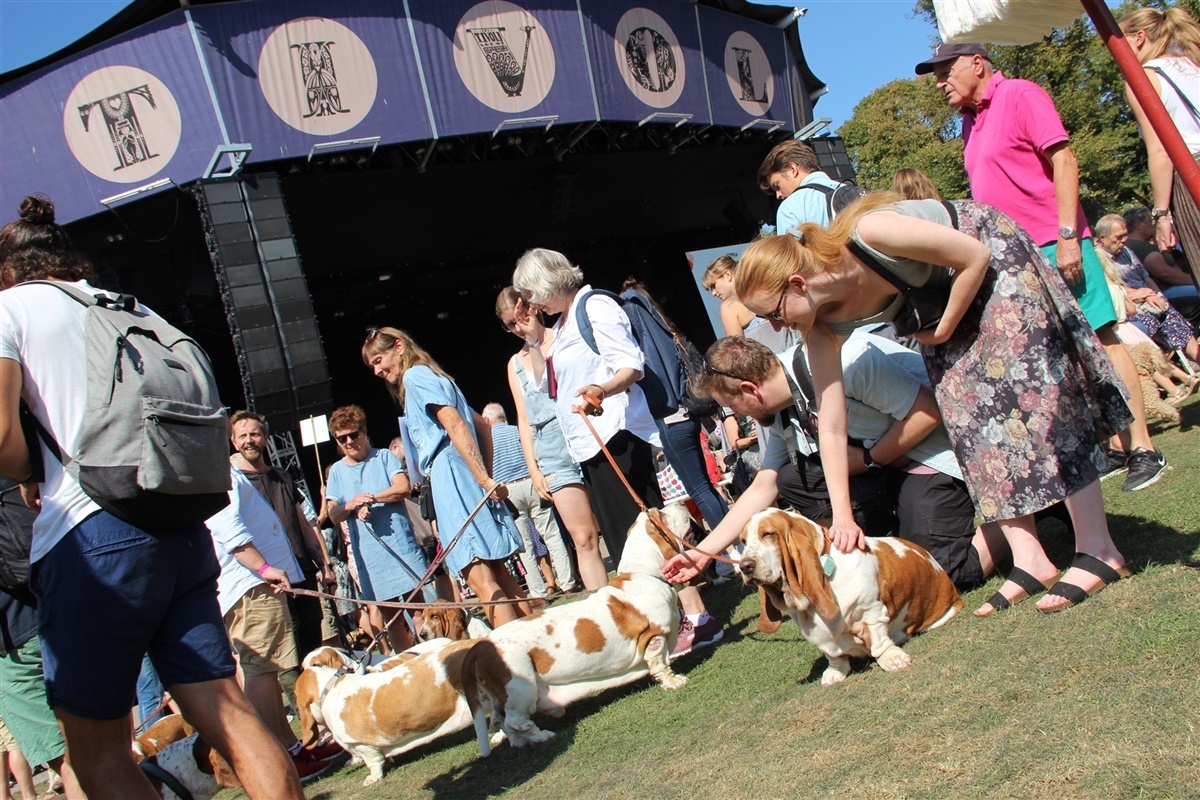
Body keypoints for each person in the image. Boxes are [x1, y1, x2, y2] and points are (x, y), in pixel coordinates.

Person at [0, 196, 302, 800]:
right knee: (233, 718)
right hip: (178, 526)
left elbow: (4, 436)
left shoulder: (10, 309)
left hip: (90, 536)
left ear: (9, 270)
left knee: (99, 753)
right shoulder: (123, 305)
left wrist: (29, 469)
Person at [722, 192, 1134, 615]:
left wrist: (944, 330)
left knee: (1040, 399)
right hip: (942, 303)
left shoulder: (869, 233)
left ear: (797, 284)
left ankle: (1099, 550)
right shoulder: (820, 329)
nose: (775, 326)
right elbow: (830, 425)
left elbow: (975, 255)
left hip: (991, 265)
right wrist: (843, 516)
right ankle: (1030, 560)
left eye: (773, 313)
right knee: (969, 417)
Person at [918, 41, 1167, 492]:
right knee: (1065, 353)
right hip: (1018, 258)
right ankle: (1108, 447)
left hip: (1056, 242)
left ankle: (1145, 447)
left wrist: (1069, 235)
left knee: (1101, 336)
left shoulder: (1020, 94)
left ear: (977, 63)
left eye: (945, 70)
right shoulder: (969, 123)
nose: (939, 82)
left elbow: (1065, 160)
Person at [665, 334, 1002, 592]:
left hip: (933, 454)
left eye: (734, 406)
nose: (739, 415)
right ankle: (887, 535)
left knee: (937, 579)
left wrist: (870, 459)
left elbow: (928, 413)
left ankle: (1017, 516)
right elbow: (763, 486)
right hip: (886, 469)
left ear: (751, 389)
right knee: (789, 477)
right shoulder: (783, 408)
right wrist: (701, 554)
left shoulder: (843, 362)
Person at [511, 250, 722, 655]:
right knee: (632, 543)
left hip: (617, 437)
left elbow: (631, 365)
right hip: (591, 445)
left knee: (648, 537)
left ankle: (697, 618)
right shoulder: (562, 322)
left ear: (548, 283)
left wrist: (600, 390)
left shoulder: (596, 306)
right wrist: (535, 340)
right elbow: (545, 387)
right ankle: (669, 621)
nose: (532, 305)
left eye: (532, 294)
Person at [361, 329, 530, 628]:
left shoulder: (415, 377)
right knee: (498, 573)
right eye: (372, 365)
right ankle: (542, 650)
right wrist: (483, 475)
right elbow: (483, 425)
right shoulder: (436, 376)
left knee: (480, 580)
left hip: (451, 477)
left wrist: (483, 478)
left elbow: (456, 423)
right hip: (462, 474)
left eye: (379, 359)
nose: (377, 370)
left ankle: (515, 662)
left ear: (398, 347)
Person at [205, 455, 339, 780]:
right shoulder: (217, 470)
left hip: (257, 583)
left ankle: (291, 749)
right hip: (249, 584)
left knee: (271, 668)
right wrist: (263, 568)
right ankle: (275, 762)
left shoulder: (224, 469)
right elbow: (228, 526)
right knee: (261, 670)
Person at [494, 287, 609, 591]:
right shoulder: (514, 364)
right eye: (510, 324)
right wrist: (533, 468)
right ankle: (605, 613)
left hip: (587, 434)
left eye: (522, 317)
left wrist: (538, 341)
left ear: (534, 308)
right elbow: (523, 419)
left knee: (616, 524)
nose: (518, 327)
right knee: (583, 538)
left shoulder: (564, 337)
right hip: (552, 452)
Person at [227, 410, 334, 711]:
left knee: (313, 649)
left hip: (301, 574)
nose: (250, 440)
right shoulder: (235, 483)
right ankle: (306, 720)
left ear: (264, 437)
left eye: (255, 434)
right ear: (234, 442)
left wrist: (324, 565)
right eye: (243, 435)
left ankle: (322, 714)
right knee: (284, 662)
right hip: (268, 584)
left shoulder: (283, 478)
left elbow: (305, 525)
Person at [325, 404, 432, 648]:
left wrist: (372, 498)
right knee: (390, 618)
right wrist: (351, 505)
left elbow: (402, 488)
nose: (350, 441)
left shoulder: (384, 456)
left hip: (400, 546)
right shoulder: (337, 473)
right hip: (371, 559)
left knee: (418, 609)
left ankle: (432, 657)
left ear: (364, 432)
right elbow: (333, 515)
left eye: (354, 434)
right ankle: (408, 666)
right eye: (342, 439)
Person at [1119, 7, 1200, 285]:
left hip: (1191, 174)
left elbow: (1161, 150)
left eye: (1119, 43)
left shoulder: (1145, 79)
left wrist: (1162, 213)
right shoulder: (1193, 63)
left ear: (1139, 38)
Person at [481, 403, 577, 599]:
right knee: (552, 535)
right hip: (532, 483)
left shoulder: (487, 439)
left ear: (487, 420)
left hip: (508, 490)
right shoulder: (518, 431)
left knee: (524, 546)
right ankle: (568, 584)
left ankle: (538, 592)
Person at [1094, 214, 1200, 363]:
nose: (1124, 240)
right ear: (1103, 238)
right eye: (1119, 237)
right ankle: (1167, 368)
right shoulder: (1096, 258)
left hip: (1149, 298)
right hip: (1130, 306)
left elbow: (1146, 277)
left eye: (1125, 235)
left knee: (1168, 312)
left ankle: (1196, 357)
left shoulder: (1126, 251)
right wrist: (1141, 294)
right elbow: (1111, 288)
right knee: (1150, 321)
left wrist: (1158, 295)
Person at [701, 254, 795, 351]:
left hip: (773, 363)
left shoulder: (728, 307)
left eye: (713, 286)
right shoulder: (763, 287)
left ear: (728, 275)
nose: (713, 293)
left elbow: (738, 350)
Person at [1122, 207, 1200, 317]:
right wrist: (1196, 280)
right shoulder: (1139, 247)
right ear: (1138, 225)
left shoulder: (1137, 245)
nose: (1153, 225)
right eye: (1150, 221)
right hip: (1167, 291)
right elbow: (1165, 273)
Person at [757, 139, 842, 233]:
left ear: (793, 169)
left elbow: (788, 248)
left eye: (777, 185)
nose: (778, 195)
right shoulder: (849, 191)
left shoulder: (790, 207)